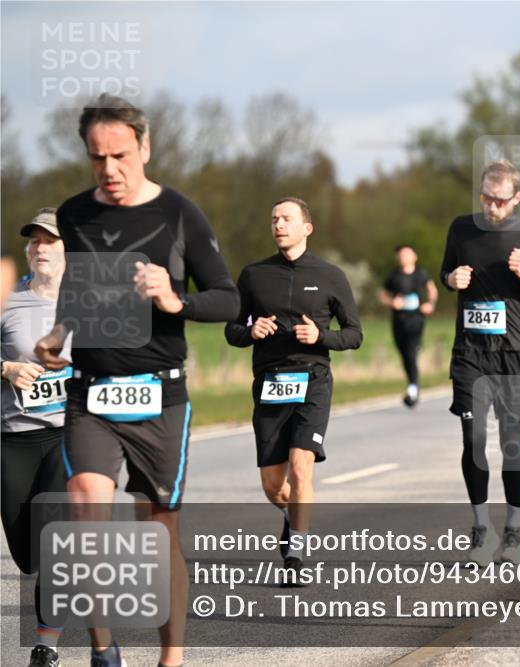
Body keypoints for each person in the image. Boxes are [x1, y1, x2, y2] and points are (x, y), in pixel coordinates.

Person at [33, 94, 240, 667]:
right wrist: (59, 332)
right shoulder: (75, 214)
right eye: (97, 158)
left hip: (160, 396)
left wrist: (175, 300)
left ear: (144, 147)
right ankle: (105, 650)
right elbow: (80, 289)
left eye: (120, 155)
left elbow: (228, 297)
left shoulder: (179, 213)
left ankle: (170, 658)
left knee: (158, 540)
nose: (110, 169)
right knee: (86, 516)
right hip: (91, 392)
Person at [225, 198, 362, 581]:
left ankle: (297, 555)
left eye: (287, 218)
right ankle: (292, 515)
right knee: (273, 485)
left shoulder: (331, 275)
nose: (279, 224)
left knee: (302, 466)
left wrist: (322, 336)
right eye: (274, 219)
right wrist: (250, 331)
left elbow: (354, 334)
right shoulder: (254, 275)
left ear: (307, 227)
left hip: (313, 380)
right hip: (269, 383)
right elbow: (231, 330)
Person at [440, 160, 520, 567]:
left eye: (500, 200)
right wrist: (450, 279)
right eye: (486, 198)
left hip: (514, 353)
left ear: (517, 198)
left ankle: (513, 531)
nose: (492, 207)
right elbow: (446, 271)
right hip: (470, 352)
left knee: (512, 443)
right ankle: (479, 528)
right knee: (472, 440)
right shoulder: (461, 228)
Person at [1, 210, 70, 667]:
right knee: (27, 553)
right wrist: (5, 368)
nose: (40, 247)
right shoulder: (8, 300)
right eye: (34, 241)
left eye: (51, 240)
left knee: (56, 538)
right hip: (13, 439)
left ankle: (46, 646)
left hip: (69, 435)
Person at [380, 244, 437, 407]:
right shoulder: (393, 276)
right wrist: (392, 302)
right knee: (405, 355)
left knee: (411, 352)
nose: (403, 257)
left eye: (407, 254)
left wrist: (430, 304)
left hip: (416, 319)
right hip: (398, 320)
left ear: (414, 257)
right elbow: (382, 296)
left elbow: (432, 290)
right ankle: (413, 384)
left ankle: (413, 389)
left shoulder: (421, 274)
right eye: (401, 255)